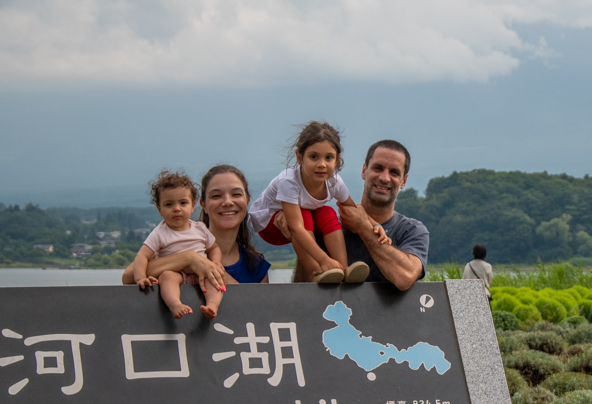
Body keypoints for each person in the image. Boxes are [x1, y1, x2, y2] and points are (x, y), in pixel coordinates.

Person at [277, 140, 429, 290]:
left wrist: (364, 228)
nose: (384, 178)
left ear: (404, 181)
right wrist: (297, 239)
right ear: (364, 171)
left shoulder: (412, 231)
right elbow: (304, 289)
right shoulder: (328, 228)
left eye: (394, 172)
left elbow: (405, 278)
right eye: (378, 168)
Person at [249, 122, 386, 283]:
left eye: (329, 158)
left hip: (298, 220)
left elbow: (352, 208)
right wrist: (323, 260)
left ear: (336, 160)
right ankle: (316, 272)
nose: (322, 164)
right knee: (303, 214)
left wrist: (375, 225)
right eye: (314, 157)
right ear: (300, 157)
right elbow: (297, 227)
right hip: (270, 224)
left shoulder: (334, 181)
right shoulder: (289, 181)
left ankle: (343, 269)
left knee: (327, 212)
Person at [122, 164, 270, 287]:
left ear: (247, 201)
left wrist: (212, 270)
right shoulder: (173, 242)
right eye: (216, 196)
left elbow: (258, 314)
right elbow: (128, 277)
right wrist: (188, 258)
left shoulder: (257, 267)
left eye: (236, 194)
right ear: (202, 205)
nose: (227, 202)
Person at [131, 170, 224, 319]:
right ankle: (175, 304)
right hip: (177, 274)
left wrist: (216, 262)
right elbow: (142, 256)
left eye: (183, 203)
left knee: (214, 277)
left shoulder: (200, 228)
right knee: (167, 277)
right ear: (159, 209)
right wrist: (141, 277)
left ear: (193, 206)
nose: (177, 208)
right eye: (169, 204)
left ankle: (212, 305)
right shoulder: (159, 233)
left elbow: (214, 248)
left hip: (201, 272)